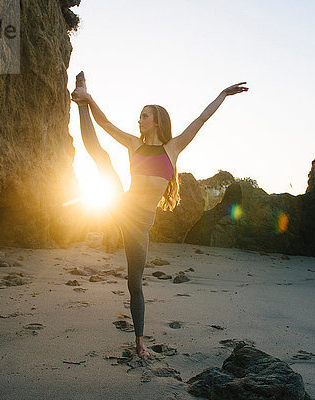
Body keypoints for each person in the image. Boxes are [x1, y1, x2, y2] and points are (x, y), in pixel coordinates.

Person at [71, 72, 247, 357]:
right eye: (140, 115)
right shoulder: (133, 144)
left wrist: (223, 95)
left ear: (157, 121)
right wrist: (88, 100)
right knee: (100, 156)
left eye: (144, 116)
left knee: (134, 282)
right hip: (122, 207)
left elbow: (200, 120)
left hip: (140, 225)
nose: (139, 120)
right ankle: (80, 99)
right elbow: (103, 123)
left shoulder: (172, 148)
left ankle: (140, 343)